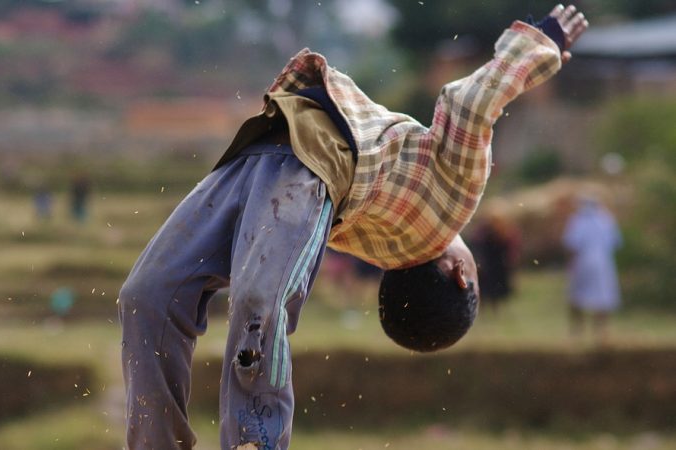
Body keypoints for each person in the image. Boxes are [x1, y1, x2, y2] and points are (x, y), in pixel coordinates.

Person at [119, 5, 588, 449]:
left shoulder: (455, 202)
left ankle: (233, 439)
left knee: (153, 295)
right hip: (280, 151)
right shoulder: (374, 244)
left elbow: (466, 102)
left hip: (294, 161)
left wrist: (535, 50)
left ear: (461, 274)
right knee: (233, 301)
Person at [562, 194, 622, 343]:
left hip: (582, 262)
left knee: (577, 297)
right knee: (602, 298)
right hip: (603, 264)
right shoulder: (606, 220)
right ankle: (601, 332)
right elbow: (616, 243)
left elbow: (571, 244)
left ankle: (577, 332)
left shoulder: (577, 221)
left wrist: (570, 264)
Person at [470, 212, 521, 311]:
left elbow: (511, 248)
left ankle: (496, 309)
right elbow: (477, 246)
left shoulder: (505, 232)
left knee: (496, 288)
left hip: (498, 265)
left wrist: (510, 261)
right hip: (487, 264)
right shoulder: (483, 233)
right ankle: (484, 309)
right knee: (485, 288)